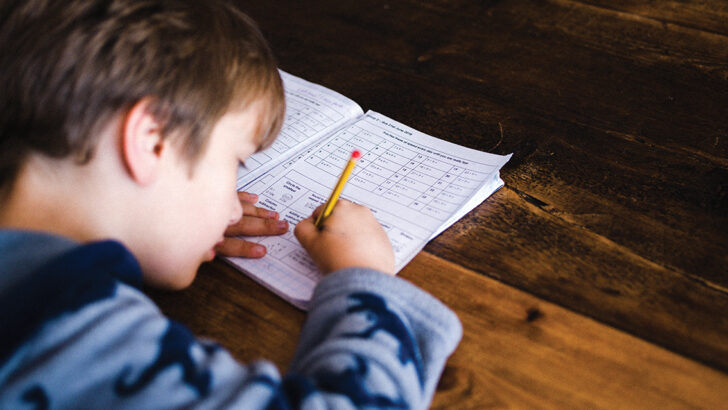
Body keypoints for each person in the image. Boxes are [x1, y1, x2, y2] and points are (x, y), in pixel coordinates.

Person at [0, 0, 462, 408]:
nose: (235, 210)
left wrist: (159, 227)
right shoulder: (70, 336)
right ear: (153, 142)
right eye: (236, 162)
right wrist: (364, 279)